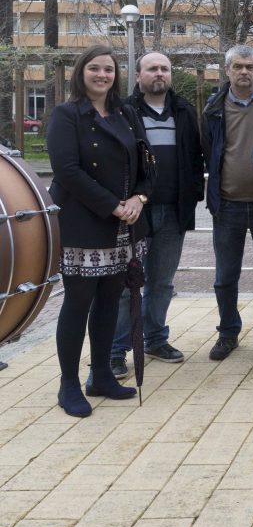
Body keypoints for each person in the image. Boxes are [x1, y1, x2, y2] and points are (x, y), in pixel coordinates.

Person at [47, 45, 144, 416]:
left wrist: (139, 198)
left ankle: (101, 375)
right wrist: (113, 205)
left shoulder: (127, 113)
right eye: (95, 69)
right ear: (81, 73)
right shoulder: (66, 114)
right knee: (78, 303)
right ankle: (68, 384)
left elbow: (146, 163)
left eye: (109, 69)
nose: (102, 75)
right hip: (83, 224)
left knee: (109, 302)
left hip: (124, 226)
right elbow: (68, 171)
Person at [106, 52, 204, 378]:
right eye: (152, 68)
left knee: (161, 283)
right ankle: (116, 351)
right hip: (134, 214)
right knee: (124, 285)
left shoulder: (185, 111)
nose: (159, 73)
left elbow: (193, 160)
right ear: (138, 75)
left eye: (164, 68)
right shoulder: (123, 112)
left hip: (173, 212)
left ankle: (154, 338)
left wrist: (192, 199)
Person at [201, 45, 253, 361]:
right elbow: (209, 152)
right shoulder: (213, 109)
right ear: (227, 70)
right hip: (228, 206)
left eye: (249, 66)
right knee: (225, 277)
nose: (244, 72)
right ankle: (228, 333)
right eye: (238, 67)